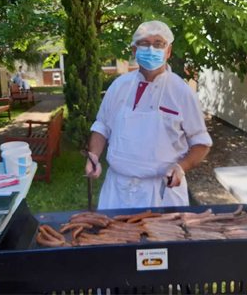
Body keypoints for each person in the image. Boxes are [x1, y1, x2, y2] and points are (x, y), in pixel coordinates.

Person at [85, 20, 213, 210]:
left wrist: (181, 168)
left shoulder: (181, 91)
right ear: (134, 51)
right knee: (113, 238)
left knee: (160, 239)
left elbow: (201, 142)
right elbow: (102, 126)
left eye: (159, 44)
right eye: (144, 44)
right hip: (117, 190)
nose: (151, 49)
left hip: (162, 192)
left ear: (168, 51)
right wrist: (94, 155)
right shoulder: (119, 86)